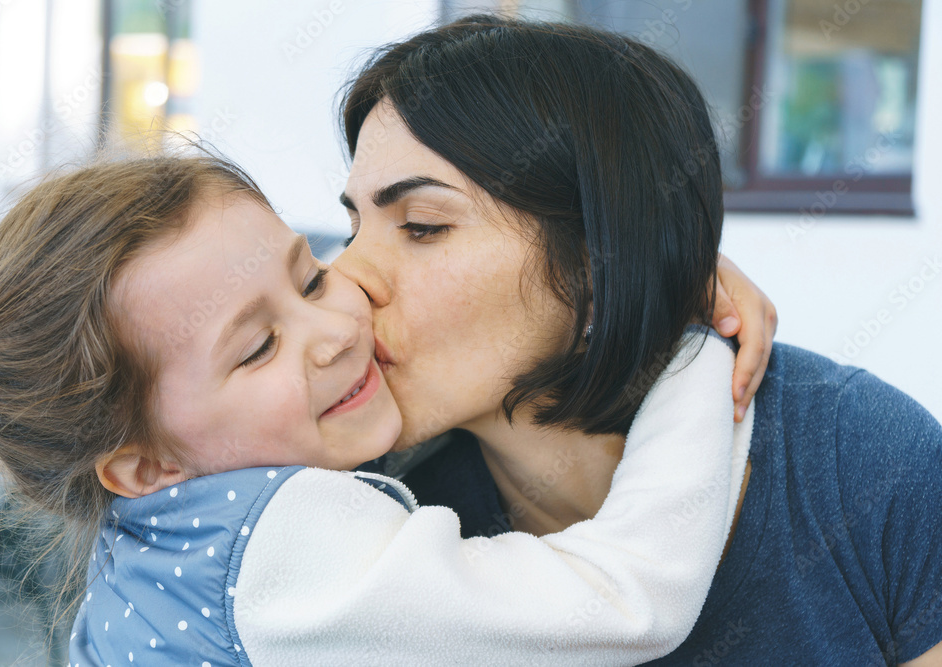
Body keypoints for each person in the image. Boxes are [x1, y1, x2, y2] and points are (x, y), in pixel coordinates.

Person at [0, 150, 761, 666]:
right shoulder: (272, 550)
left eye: (308, 277)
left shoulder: (162, 555)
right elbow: (620, 603)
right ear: (147, 464)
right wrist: (686, 351)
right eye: (258, 346)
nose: (337, 328)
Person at [333, 14, 942, 665]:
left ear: (598, 261)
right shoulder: (363, 511)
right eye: (352, 230)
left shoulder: (866, 463)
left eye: (422, 225)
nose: (345, 276)